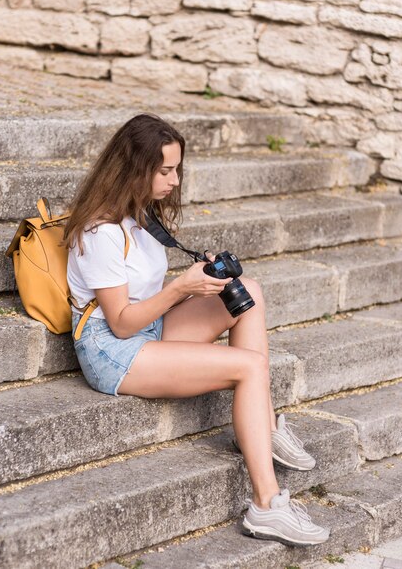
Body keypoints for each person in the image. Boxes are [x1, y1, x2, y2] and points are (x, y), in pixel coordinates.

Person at [64, 113, 330, 547]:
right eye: (165, 171)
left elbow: (145, 300)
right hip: (113, 350)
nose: (174, 181)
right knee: (249, 367)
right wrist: (182, 288)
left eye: (177, 170)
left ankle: (261, 426)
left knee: (249, 294)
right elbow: (121, 321)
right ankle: (267, 506)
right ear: (134, 169)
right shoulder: (100, 232)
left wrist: (201, 281)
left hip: (147, 327)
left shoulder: (141, 217)